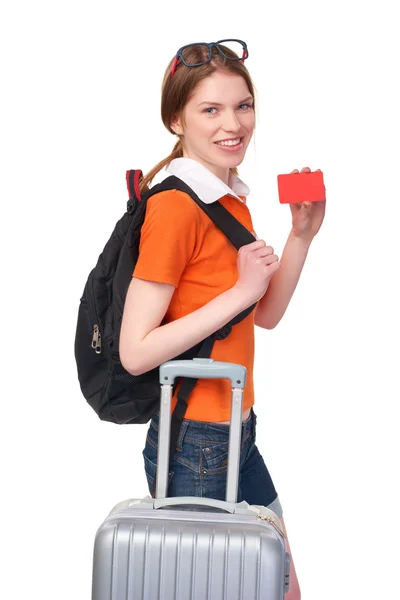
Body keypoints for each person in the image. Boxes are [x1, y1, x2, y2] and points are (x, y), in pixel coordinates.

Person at [120, 39, 326, 600]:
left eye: (243, 105)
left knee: (282, 588)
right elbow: (135, 350)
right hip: (195, 442)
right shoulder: (174, 206)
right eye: (210, 109)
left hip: (237, 427)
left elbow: (266, 315)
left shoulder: (229, 199)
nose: (233, 124)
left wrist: (300, 236)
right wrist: (239, 290)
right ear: (176, 118)